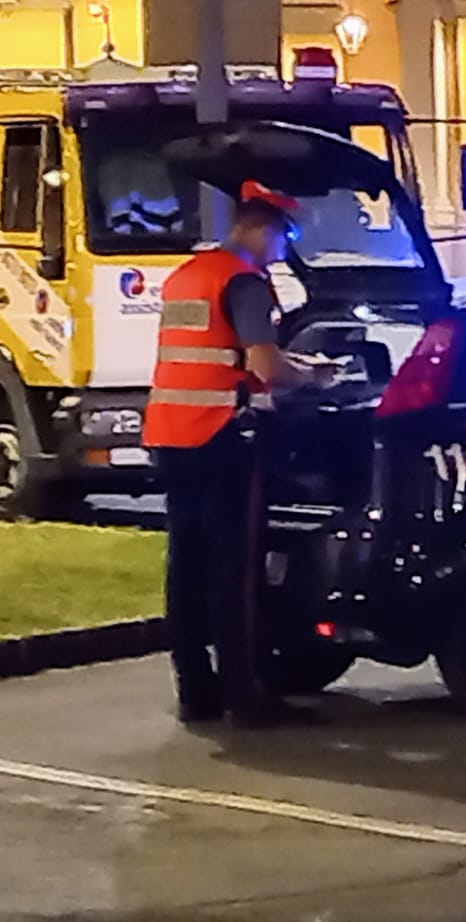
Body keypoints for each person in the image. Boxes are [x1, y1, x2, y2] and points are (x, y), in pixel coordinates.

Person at [142, 182, 336, 727]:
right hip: (219, 437)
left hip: (170, 434)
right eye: (284, 236)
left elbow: (207, 355)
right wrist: (316, 375)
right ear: (261, 226)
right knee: (236, 572)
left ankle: (195, 692)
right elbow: (267, 368)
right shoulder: (244, 281)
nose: (282, 249)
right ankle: (245, 694)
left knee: (186, 568)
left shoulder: (188, 276)